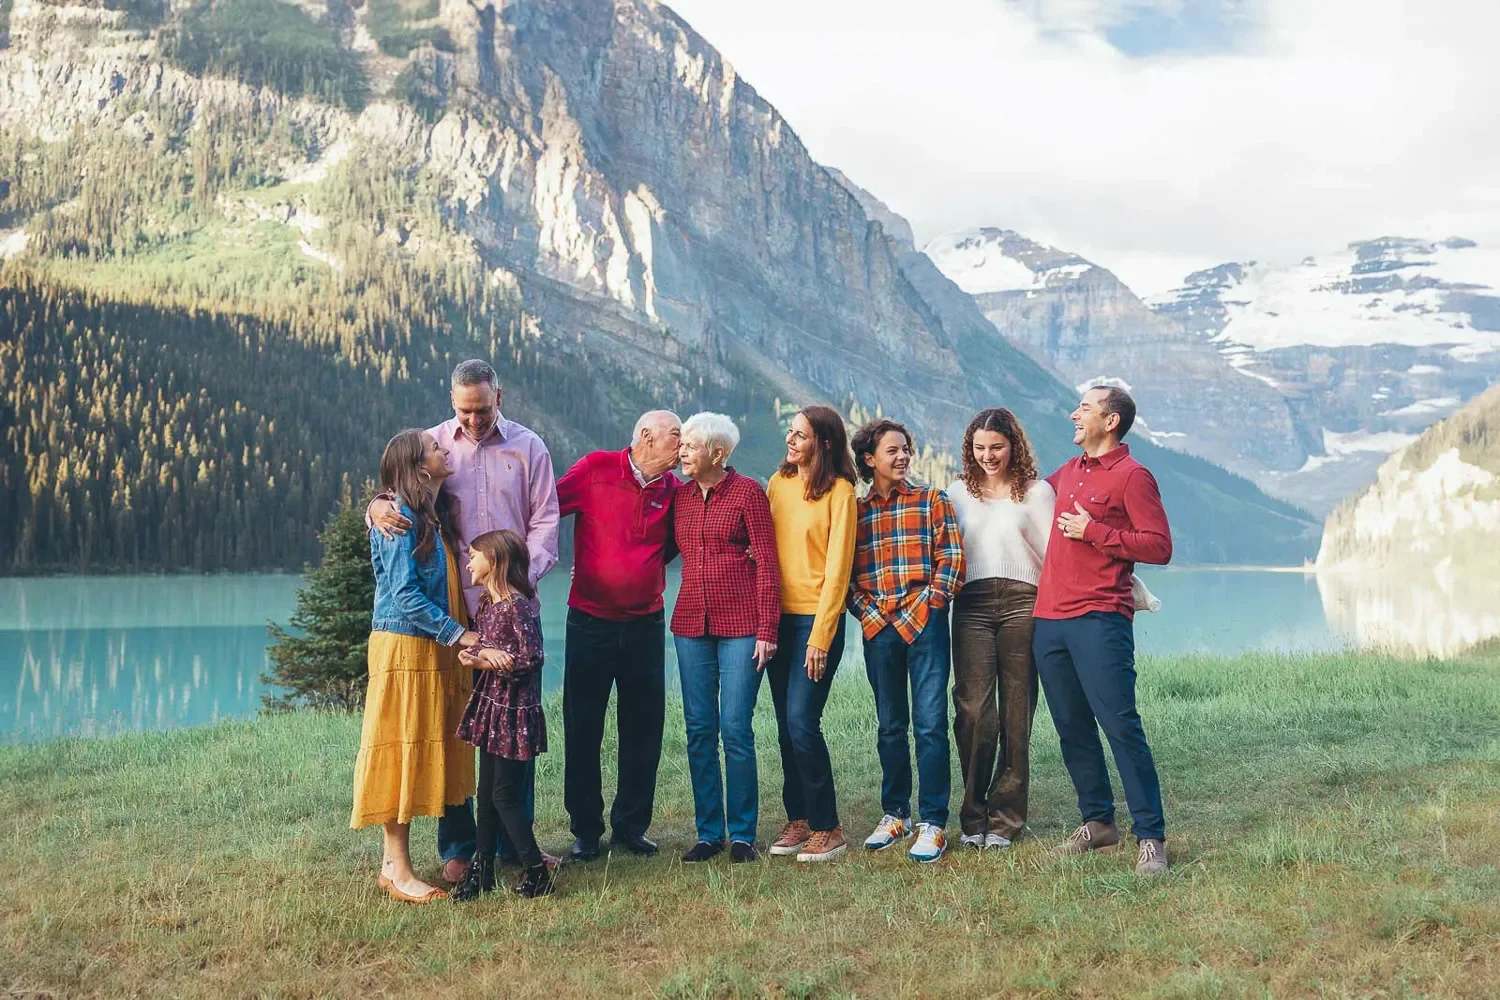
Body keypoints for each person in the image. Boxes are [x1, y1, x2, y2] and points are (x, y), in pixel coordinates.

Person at [368, 359, 560, 884]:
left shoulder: (529, 447)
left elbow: (545, 521)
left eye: (482, 408)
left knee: (512, 733)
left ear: (500, 395)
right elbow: (397, 490)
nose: (473, 420)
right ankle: (461, 848)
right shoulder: (432, 445)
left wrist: (519, 580)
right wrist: (374, 508)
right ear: (452, 402)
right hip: (453, 617)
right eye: (464, 410)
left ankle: (518, 849)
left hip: (512, 612)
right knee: (462, 732)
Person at [1033, 386, 1174, 877]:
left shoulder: (1134, 476)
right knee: (1071, 728)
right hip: (1048, 620)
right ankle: (1098, 824)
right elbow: (1022, 502)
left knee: (1120, 727)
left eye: (1085, 409)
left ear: (1110, 421)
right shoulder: (1066, 473)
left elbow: (1159, 546)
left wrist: (1096, 533)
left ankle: (1151, 837)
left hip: (1100, 618)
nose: (1074, 414)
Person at [351, 428, 481, 904]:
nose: (445, 449)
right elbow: (404, 595)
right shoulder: (399, 514)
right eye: (435, 448)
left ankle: (415, 861)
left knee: (427, 746)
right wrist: (458, 633)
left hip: (431, 650)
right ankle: (395, 867)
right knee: (399, 748)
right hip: (405, 648)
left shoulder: (430, 511)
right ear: (419, 466)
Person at [557, 410, 683, 860]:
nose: (682, 446)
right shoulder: (595, 469)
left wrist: (639, 571)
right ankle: (586, 831)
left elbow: (676, 541)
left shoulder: (674, 490)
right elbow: (545, 508)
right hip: (588, 621)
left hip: (645, 625)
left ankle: (630, 826)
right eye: (676, 437)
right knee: (583, 726)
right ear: (646, 438)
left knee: (644, 728)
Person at [848, 418, 964, 863]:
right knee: (890, 727)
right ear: (869, 460)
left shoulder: (930, 500)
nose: (902, 457)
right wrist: (869, 613)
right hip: (879, 629)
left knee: (931, 725)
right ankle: (895, 813)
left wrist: (932, 602)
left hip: (926, 625)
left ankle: (932, 821)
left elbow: (951, 557)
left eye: (906, 449)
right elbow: (845, 575)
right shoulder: (855, 513)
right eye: (892, 450)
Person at [671, 413, 781, 864]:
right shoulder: (679, 498)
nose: (682, 452)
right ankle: (708, 832)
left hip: (742, 627)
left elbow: (769, 565)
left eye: (690, 446)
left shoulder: (748, 494)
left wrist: (768, 631)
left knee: (735, 728)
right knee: (699, 730)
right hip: (690, 625)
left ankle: (741, 835)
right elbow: (657, 551)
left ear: (717, 453)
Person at [946, 408, 1053, 851]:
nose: (989, 456)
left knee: (1016, 712)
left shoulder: (1036, 492)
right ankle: (973, 816)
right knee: (973, 711)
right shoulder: (956, 493)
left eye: (997, 447)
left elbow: (1055, 557)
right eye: (980, 448)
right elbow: (944, 550)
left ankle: (1006, 819)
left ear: (1015, 446)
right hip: (970, 603)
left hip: (1024, 602)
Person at [764, 405, 859, 863]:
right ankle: (798, 818)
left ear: (823, 442)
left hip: (814, 622)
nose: (790, 440)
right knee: (785, 727)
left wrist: (821, 636)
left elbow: (839, 570)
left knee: (803, 721)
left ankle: (829, 826)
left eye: (799, 434)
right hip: (774, 621)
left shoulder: (840, 492)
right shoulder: (778, 484)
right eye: (789, 432)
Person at [452, 530, 556, 900]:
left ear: (494, 561)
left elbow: (532, 657)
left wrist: (490, 661)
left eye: (474, 556)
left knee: (504, 795)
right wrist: (473, 656)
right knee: (485, 794)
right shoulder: (488, 605)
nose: (468, 563)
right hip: (492, 710)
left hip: (514, 714)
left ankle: (536, 871)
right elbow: (484, 644)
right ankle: (482, 872)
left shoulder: (518, 606)